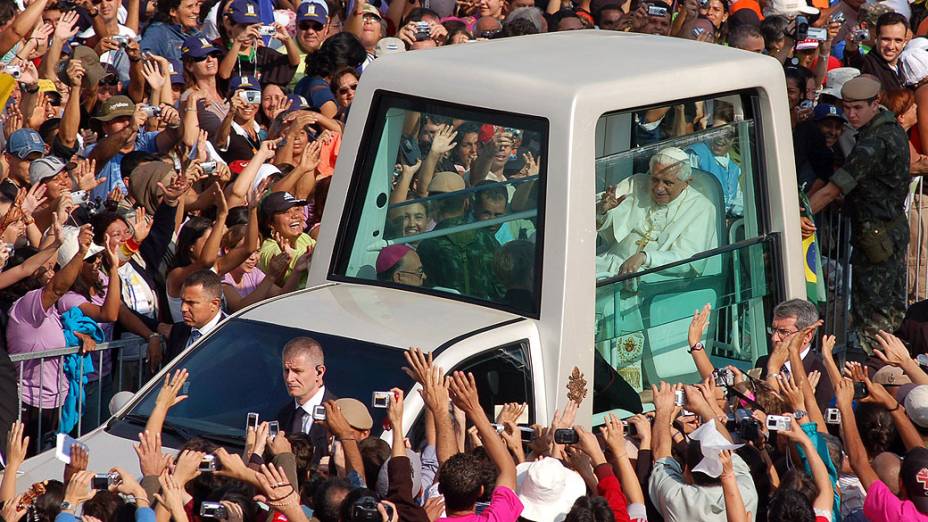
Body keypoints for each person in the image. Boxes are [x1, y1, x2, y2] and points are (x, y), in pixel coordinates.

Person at [810, 75, 910, 355]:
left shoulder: (875, 141)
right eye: (847, 107)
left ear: (875, 103)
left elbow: (832, 190)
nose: (850, 115)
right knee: (889, 313)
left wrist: (798, 217)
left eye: (857, 108)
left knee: (872, 318)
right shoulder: (889, 128)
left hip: (876, 236)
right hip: (887, 230)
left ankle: (875, 376)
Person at [595, 146, 719, 278]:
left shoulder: (701, 208)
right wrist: (603, 211)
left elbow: (688, 260)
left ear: (686, 183)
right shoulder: (637, 183)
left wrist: (645, 257)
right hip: (608, 263)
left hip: (654, 280)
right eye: (654, 179)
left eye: (667, 182)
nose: (659, 188)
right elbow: (605, 222)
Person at [753, 299, 834, 412]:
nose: (774, 338)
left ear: (806, 337)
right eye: (773, 330)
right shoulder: (763, 362)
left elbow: (818, 425)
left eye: (784, 332)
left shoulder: (821, 372)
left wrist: (773, 371)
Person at [276, 336, 336, 462]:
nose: (289, 378)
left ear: (319, 372)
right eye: (286, 370)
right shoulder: (282, 416)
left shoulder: (338, 415)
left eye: (297, 371)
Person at [165, 270, 227, 360]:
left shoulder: (232, 337)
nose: (183, 308)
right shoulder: (178, 331)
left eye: (191, 303)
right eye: (182, 301)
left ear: (214, 304)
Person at [844, 12, 908, 92]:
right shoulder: (868, 65)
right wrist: (851, 47)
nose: (891, 46)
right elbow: (854, 62)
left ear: (905, 42)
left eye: (898, 40)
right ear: (876, 39)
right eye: (886, 39)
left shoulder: (905, 65)